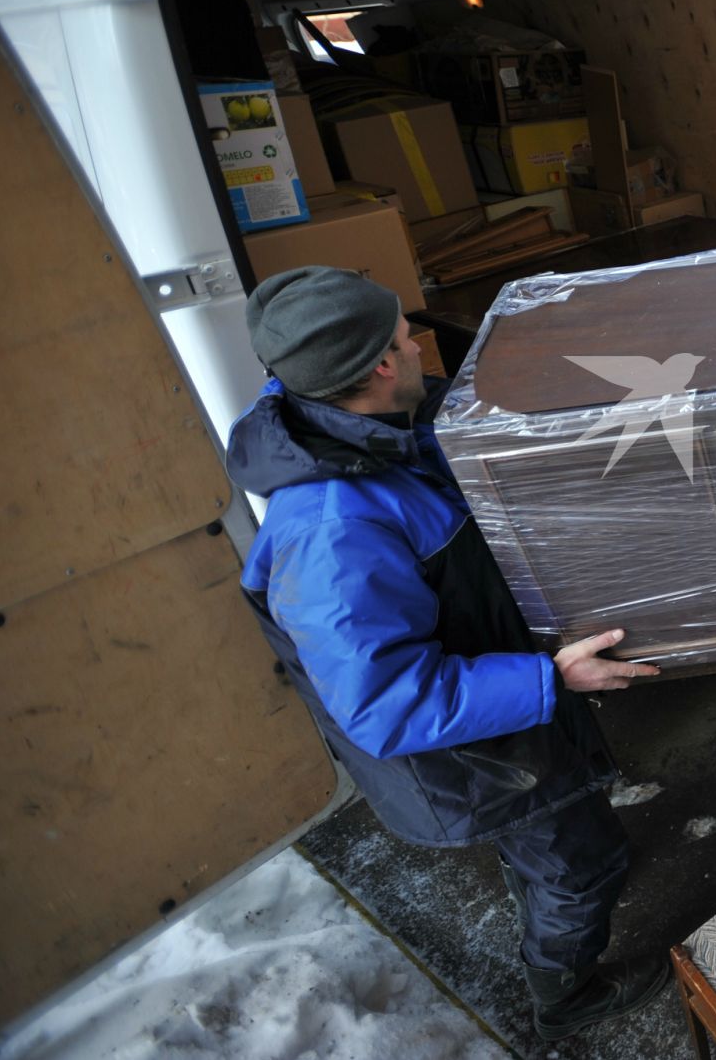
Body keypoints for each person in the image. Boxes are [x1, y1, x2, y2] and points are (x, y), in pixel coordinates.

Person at [226, 267, 670, 1042]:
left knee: (551, 846)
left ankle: (534, 879)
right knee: (580, 864)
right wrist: (548, 677)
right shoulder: (332, 529)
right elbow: (384, 701)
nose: (415, 340)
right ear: (378, 367)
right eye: (403, 333)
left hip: (494, 693)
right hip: (473, 752)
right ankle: (565, 995)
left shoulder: (366, 424)